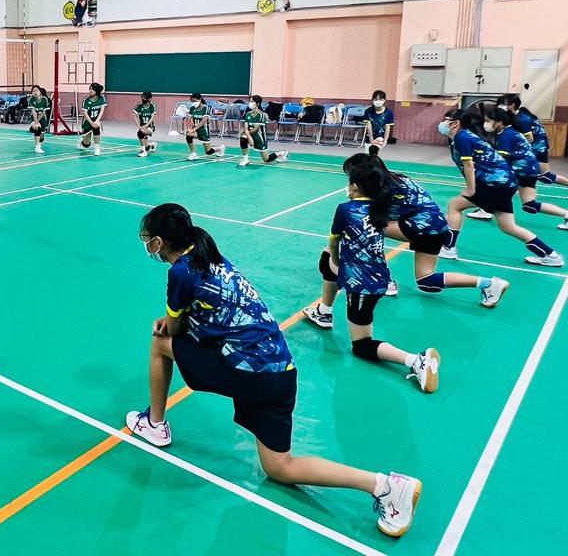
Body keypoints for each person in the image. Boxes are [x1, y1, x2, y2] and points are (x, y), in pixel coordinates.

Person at [128, 203, 422, 538]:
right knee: (280, 467)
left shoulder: (180, 272)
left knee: (160, 344)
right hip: (281, 371)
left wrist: (168, 324)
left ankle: (155, 424)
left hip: (249, 373)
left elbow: (174, 330)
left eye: (149, 238)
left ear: (160, 242)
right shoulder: (210, 255)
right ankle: (386, 486)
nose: (148, 243)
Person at [305, 154, 509, 328]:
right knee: (426, 280)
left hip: (423, 227)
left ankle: (338, 304)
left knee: (364, 229)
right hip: (437, 226)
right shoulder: (396, 178)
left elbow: (362, 217)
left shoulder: (379, 190)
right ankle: (489, 283)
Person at [306, 158, 442, 391]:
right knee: (327, 261)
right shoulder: (381, 210)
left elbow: (333, 243)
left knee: (361, 346)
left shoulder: (345, 209)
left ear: (355, 186)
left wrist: (336, 262)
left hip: (361, 285)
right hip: (380, 279)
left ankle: (415, 360)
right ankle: (324, 312)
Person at [437, 109, 562, 266]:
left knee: (455, 205)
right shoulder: (458, 138)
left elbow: (469, 165)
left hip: (496, 184)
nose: (442, 123)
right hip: (504, 183)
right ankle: (550, 255)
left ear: (456, 123)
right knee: (508, 226)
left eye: (445, 119)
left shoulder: (463, 137)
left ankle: (448, 248)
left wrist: (471, 189)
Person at [465, 106, 568, 229]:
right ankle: (566, 214)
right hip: (528, 170)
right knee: (530, 205)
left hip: (523, 171)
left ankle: (485, 211)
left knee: (492, 184)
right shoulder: (507, 132)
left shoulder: (507, 135)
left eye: (488, 121)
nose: (485, 124)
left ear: (499, 122)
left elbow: (501, 157)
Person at [497, 93, 567, 187]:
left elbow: (529, 139)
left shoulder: (523, 119)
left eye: (502, 104)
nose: (499, 106)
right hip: (534, 148)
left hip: (538, 149)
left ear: (512, 105)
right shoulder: (516, 115)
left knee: (545, 176)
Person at [238, 94, 287, 167]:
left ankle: (282, 153)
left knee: (266, 159)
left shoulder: (261, 115)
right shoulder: (248, 114)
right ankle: (245, 159)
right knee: (243, 137)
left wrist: (249, 136)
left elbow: (255, 129)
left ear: (258, 103)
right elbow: (246, 127)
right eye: (250, 101)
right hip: (250, 134)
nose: (250, 103)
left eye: (252, 101)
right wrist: (249, 137)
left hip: (260, 137)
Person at [184, 93, 225, 161]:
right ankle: (193, 154)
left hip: (204, 131)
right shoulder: (193, 108)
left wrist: (193, 129)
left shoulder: (207, 108)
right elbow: (188, 118)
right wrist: (188, 128)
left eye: (195, 101)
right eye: (192, 101)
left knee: (208, 152)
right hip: (196, 130)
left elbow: (204, 121)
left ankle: (220, 148)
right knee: (188, 136)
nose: (193, 103)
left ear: (200, 99)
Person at [78, 82, 107, 156]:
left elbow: (102, 111)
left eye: (92, 89)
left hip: (96, 120)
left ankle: (97, 149)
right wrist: (92, 123)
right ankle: (82, 142)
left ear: (97, 91)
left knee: (96, 128)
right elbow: (85, 113)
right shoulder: (86, 99)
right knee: (86, 145)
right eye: (90, 89)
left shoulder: (102, 98)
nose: (90, 90)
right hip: (87, 122)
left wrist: (97, 121)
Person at [364, 90, 394, 154]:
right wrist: (371, 140)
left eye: (380, 99)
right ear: (372, 100)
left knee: (374, 155)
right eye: (376, 99)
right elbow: (369, 127)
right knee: (367, 155)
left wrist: (385, 141)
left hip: (380, 138)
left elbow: (388, 127)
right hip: (369, 138)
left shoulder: (388, 112)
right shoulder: (368, 111)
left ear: (384, 100)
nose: (378, 101)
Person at [134, 91, 158, 158]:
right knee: (141, 133)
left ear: (150, 99)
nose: (143, 99)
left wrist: (145, 126)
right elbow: (135, 117)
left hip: (150, 127)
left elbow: (152, 118)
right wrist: (139, 127)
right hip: (142, 127)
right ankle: (152, 145)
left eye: (145, 98)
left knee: (140, 133)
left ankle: (143, 151)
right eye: (142, 97)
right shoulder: (139, 105)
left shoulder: (152, 106)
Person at [27, 85, 50, 155]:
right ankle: (37, 147)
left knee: (41, 137)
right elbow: (33, 111)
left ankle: (39, 144)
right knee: (37, 128)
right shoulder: (31, 99)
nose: (35, 92)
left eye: (37, 90)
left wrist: (38, 120)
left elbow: (44, 112)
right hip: (33, 120)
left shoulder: (44, 99)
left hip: (43, 120)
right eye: (33, 91)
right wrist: (36, 121)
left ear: (40, 92)